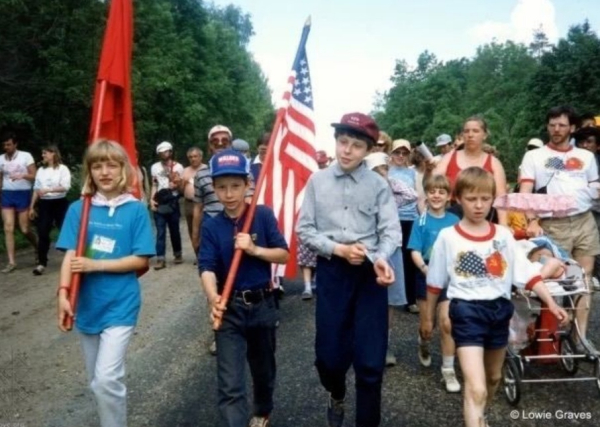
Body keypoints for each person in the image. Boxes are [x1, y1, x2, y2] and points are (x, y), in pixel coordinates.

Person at [421, 166, 568, 427]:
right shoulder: (448, 237)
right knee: (476, 387)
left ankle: (480, 415)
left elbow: (527, 275)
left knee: (493, 379)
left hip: (500, 311)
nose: (478, 206)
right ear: (458, 199)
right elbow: (434, 283)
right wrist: (428, 319)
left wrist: (552, 302)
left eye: (485, 199)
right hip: (465, 312)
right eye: (471, 198)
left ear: (492, 199)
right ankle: (475, 416)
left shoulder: (503, 236)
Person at [297, 112, 401, 427]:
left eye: (356, 146)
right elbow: (305, 230)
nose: (347, 150)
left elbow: (391, 231)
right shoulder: (317, 181)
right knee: (329, 357)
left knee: (371, 363)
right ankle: (336, 392)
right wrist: (338, 249)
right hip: (333, 273)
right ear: (336, 142)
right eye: (343, 142)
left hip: (369, 276)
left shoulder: (378, 185)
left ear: (368, 150)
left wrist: (381, 257)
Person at [56, 139, 155, 427]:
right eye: (97, 165)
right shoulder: (79, 209)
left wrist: (96, 264)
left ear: (123, 169)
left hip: (121, 304)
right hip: (87, 304)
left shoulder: (135, 209)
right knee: (96, 382)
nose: (105, 171)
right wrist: (63, 293)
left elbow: (141, 260)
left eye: (111, 164)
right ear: (89, 171)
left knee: (107, 378)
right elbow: (71, 256)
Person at [198, 149, 289, 427]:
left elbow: (282, 254)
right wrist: (213, 297)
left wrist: (254, 248)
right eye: (222, 187)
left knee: (263, 370)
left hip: (262, 304)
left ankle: (262, 410)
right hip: (230, 308)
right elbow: (207, 266)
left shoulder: (261, 215)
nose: (229, 194)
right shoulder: (212, 226)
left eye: (235, 186)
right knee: (230, 383)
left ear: (248, 184)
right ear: (213, 188)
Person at [519, 105, 600, 349]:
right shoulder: (534, 157)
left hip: (584, 220)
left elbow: (595, 187)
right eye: (552, 124)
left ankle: (581, 338)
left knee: (583, 280)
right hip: (552, 224)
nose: (556, 129)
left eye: (562, 125)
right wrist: (531, 220)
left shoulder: (587, 157)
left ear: (572, 128)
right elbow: (525, 192)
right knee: (555, 281)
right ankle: (547, 338)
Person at [407, 174, 460, 391]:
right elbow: (415, 251)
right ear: (426, 195)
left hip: (450, 276)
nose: (436, 195)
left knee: (447, 323)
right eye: (432, 191)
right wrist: (425, 268)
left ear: (449, 197)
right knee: (428, 326)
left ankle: (448, 370)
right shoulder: (420, 222)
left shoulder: (455, 221)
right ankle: (424, 342)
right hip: (426, 274)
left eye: (441, 191)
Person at [364, 151, 418, 366]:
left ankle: (385, 345)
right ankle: (365, 342)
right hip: (368, 249)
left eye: (384, 169)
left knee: (389, 301)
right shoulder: (363, 193)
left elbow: (411, 195)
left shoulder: (392, 192)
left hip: (391, 247)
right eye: (375, 171)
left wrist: (388, 180)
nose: (380, 174)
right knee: (367, 297)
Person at [434, 116, 508, 225]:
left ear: (485, 135)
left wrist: (503, 224)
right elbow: (433, 183)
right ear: (462, 135)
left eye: (475, 131)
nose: (470, 135)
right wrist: (428, 172)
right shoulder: (449, 158)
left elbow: (501, 197)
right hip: (453, 216)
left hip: (485, 217)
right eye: (466, 131)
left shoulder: (494, 163)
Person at [29, 145, 71, 275]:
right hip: (45, 203)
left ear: (53, 154)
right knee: (42, 232)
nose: (43, 156)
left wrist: (50, 190)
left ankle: (72, 257)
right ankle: (42, 263)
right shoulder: (41, 170)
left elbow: (65, 187)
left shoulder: (63, 169)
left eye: (45, 153)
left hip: (60, 202)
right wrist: (31, 206)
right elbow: (37, 189)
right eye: (42, 153)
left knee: (65, 230)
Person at [389, 138, 420, 313]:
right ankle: (390, 296)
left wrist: (422, 218)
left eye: (404, 153)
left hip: (411, 219)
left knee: (410, 259)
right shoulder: (386, 171)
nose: (400, 156)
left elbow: (419, 197)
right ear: (391, 153)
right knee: (392, 257)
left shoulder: (413, 173)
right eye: (397, 152)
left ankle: (410, 299)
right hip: (393, 219)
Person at [0, 132, 37, 273]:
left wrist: (23, 175)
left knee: (24, 229)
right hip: (7, 194)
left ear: (15, 144)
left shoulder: (25, 156)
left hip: (23, 193)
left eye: (9, 144)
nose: (6, 147)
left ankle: (37, 247)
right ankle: (11, 262)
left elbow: (35, 176)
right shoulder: (1, 159)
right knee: (8, 227)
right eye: (4, 144)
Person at [150, 141, 183, 270]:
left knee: (174, 229)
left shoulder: (178, 167)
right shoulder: (154, 167)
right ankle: (160, 258)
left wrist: (176, 183)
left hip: (173, 199)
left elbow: (181, 187)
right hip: (160, 199)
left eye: (166, 151)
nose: (164, 154)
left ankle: (178, 253)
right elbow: (154, 184)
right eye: (161, 152)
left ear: (170, 152)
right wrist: (151, 200)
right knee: (160, 230)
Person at [181, 147, 204, 259]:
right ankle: (197, 255)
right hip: (188, 203)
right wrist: (182, 183)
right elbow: (180, 190)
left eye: (195, 156)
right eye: (190, 157)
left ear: (200, 157)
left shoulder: (206, 169)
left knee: (203, 228)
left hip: (203, 203)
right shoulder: (185, 171)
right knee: (191, 229)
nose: (193, 159)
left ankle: (205, 253)